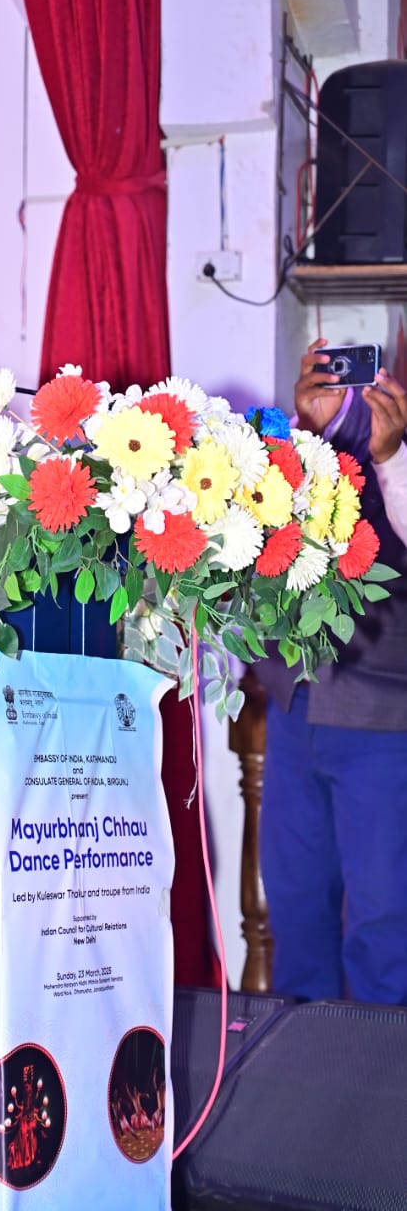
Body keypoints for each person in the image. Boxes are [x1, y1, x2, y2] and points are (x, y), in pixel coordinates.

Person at [257, 339, 407, 1005]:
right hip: (295, 709)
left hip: (381, 718)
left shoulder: (384, 448)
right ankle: (303, 1089)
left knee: (382, 927)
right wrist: (305, 428)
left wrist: (388, 456)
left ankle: (380, 1099)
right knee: (295, 913)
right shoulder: (324, 438)